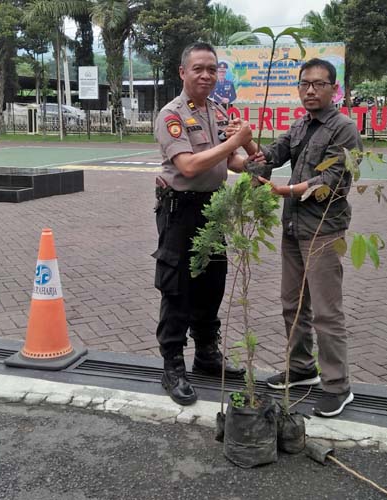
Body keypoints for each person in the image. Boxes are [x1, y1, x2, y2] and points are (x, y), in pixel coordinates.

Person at [153, 42, 259, 406]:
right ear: (183, 72)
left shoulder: (218, 111)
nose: (206, 75)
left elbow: (232, 162)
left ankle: (206, 354)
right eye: (198, 68)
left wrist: (252, 154)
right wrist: (236, 142)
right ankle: (172, 365)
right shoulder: (172, 114)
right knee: (178, 286)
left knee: (212, 283)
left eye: (212, 69)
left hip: (213, 209)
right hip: (180, 211)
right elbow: (189, 166)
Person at [256, 58, 361, 418]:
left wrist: (284, 191)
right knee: (292, 303)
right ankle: (301, 368)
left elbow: (330, 182)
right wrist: (246, 151)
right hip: (294, 229)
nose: (310, 90)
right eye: (305, 84)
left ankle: (337, 385)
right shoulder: (300, 126)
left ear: (334, 89)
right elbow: (273, 153)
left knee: (326, 312)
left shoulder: (344, 129)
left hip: (323, 230)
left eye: (319, 84)